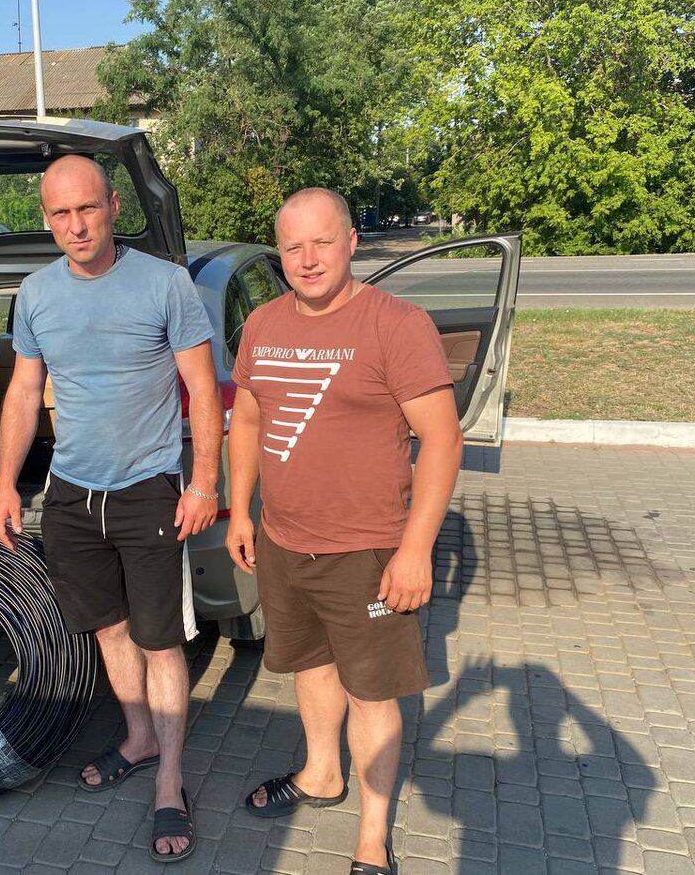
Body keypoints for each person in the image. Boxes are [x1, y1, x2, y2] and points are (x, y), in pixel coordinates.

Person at [0, 155, 222, 864]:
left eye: (87, 208)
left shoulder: (165, 283)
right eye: (61, 213)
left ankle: (171, 780)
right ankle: (139, 736)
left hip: (148, 490)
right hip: (69, 494)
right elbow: (24, 392)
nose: (77, 225)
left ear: (114, 206)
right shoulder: (36, 293)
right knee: (109, 629)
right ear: (46, 218)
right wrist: (5, 484)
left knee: (160, 640)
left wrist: (203, 483)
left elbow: (202, 390)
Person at [225, 188, 463, 875]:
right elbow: (248, 420)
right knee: (309, 666)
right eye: (292, 247)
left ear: (352, 242)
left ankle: (372, 838)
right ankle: (321, 773)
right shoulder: (264, 323)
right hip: (283, 540)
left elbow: (442, 441)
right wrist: (240, 511)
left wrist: (414, 551)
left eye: (322, 243)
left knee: (371, 692)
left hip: (367, 548)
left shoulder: (396, 324)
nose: (307, 260)